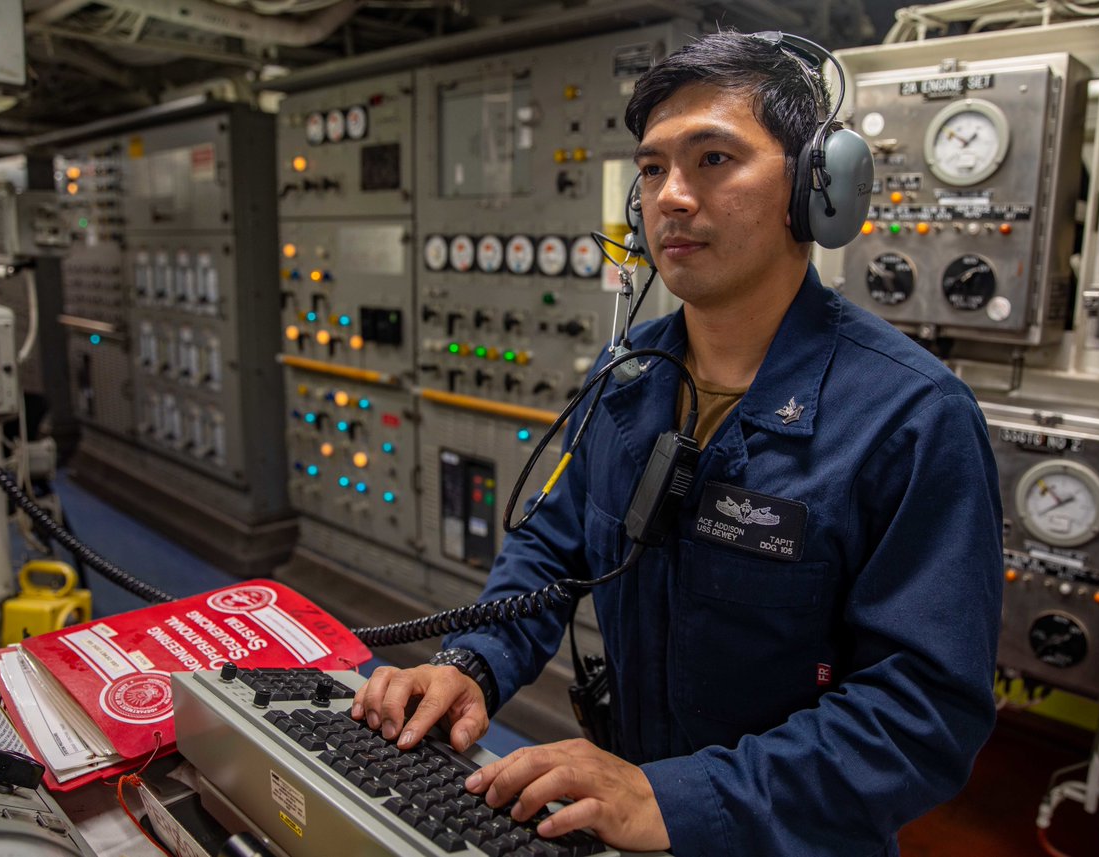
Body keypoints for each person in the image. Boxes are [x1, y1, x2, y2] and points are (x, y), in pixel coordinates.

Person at [351, 29, 1003, 856]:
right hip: (620, 813)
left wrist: (677, 796)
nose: (669, 197)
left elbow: (922, 715)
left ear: (816, 189)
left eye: (714, 159)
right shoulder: (631, 371)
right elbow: (553, 548)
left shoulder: (913, 416)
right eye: (654, 167)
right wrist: (471, 664)